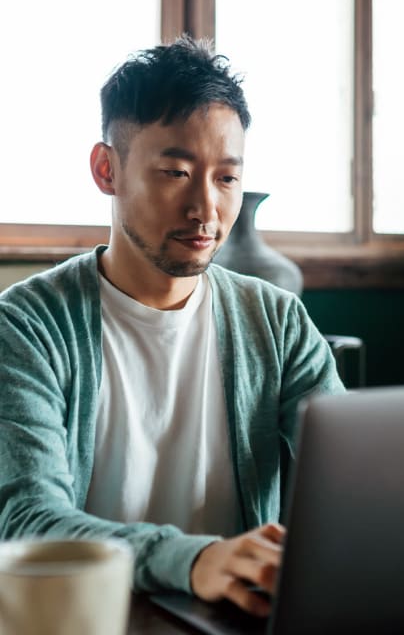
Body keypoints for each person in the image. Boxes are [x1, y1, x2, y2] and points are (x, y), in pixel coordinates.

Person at [0, 35, 344, 616]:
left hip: (236, 620)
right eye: (177, 172)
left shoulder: (276, 319)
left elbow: (351, 478)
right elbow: (31, 522)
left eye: (227, 179)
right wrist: (194, 560)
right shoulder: (27, 326)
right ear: (107, 170)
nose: (206, 209)